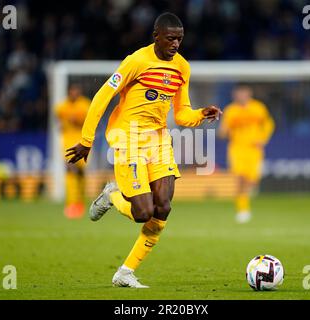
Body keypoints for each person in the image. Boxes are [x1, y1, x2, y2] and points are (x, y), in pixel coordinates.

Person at [66, 12, 222, 288]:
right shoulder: (136, 61)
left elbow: (182, 113)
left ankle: (125, 272)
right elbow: (103, 96)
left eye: (180, 39)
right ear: (156, 36)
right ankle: (112, 194)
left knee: (163, 208)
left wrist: (201, 114)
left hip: (159, 139)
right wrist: (86, 140)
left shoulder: (181, 67)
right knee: (142, 212)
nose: (175, 44)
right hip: (128, 138)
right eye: (171, 38)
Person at [218, 85, 274, 223]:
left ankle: (248, 194)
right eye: (238, 93)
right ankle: (243, 210)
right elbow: (223, 131)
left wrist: (263, 138)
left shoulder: (258, 108)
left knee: (252, 180)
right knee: (240, 178)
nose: (240, 96)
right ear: (234, 95)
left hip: (254, 149)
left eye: (243, 93)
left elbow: (268, 124)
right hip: (237, 148)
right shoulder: (231, 110)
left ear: (249, 93)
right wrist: (223, 132)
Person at [56, 83, 90, 218]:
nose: (74, 93)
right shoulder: (61, 107)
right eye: (72, 91)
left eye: (77, 91)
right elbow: (59, 121)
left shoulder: (85, 105)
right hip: (68, 143)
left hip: (83, 143)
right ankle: (72, 204)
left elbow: (89, 122)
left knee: (81, 173)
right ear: (69, 92)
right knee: (70, 170)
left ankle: (80, 202)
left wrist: (77, 121)